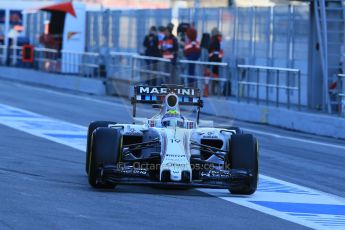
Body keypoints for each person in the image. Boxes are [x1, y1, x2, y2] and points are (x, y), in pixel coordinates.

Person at [208, 27, 224, 95]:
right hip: (217, 60)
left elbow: (210, 50)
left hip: (213, 60)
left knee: (214, 75)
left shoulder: (213, 40)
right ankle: (215, 91)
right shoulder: (217, 40)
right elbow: (219, 51)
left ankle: (213, 90)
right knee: (216, 75)